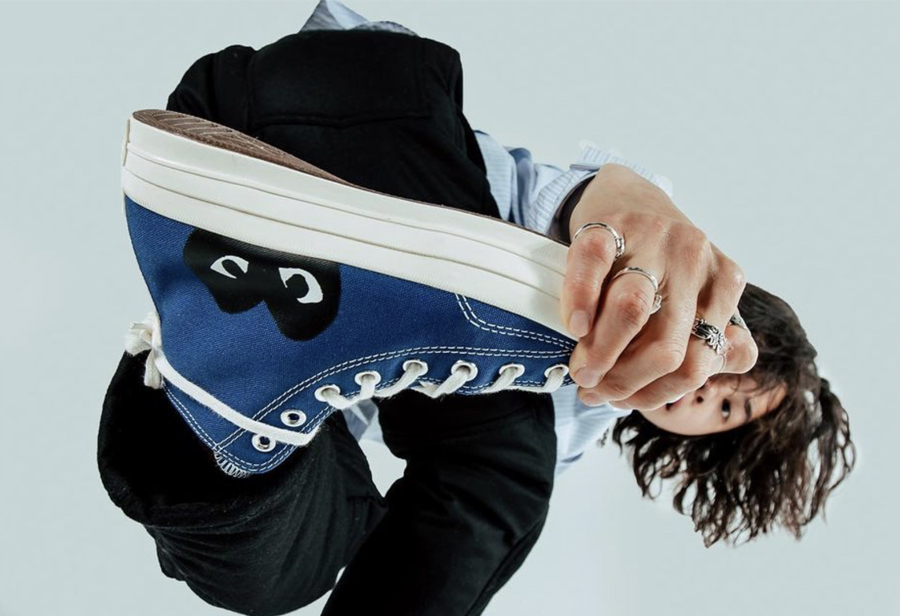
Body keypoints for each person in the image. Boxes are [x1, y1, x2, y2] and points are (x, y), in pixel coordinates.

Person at [97, 2, 854, 615]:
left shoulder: (568, 431)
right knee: (506, 475)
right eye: (722, 361)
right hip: (351, 113)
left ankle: (217, 401)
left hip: (245, 263)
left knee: (296, 562)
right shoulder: (638, 277)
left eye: (726, 412)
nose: (706, 390)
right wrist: (624, 206)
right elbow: (590, 204)